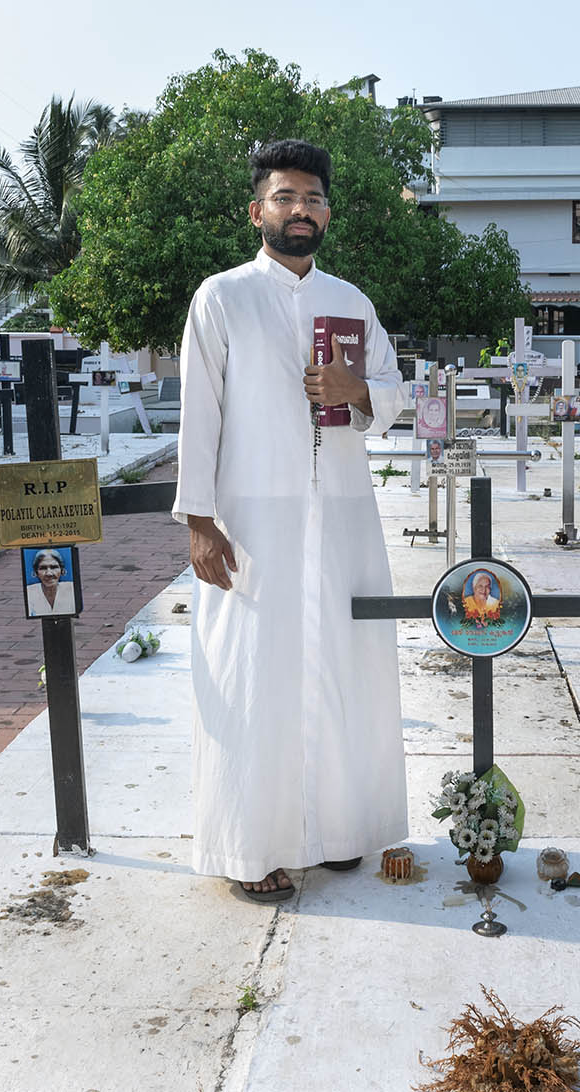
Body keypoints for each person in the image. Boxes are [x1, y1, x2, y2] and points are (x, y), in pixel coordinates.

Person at [175, 139, 408, 905]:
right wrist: (199, 520)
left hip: (340, 510)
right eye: (285, 197)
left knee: (344, 667)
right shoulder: (222, 297)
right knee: (254, 677)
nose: (299, 209)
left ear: (327, 214)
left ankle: (336, 831)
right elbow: (198, 413)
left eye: (311, 198)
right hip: (252, 516)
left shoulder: (353, 301)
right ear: (257, 211)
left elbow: (395, 395)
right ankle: (252, 846)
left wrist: (357, 386)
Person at [24, 549, 75, 617]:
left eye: (54, 567)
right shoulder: (29, 592)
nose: (49, 573)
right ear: (36, 573)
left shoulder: (72, 589)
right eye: (43, 568)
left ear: (62, 570)